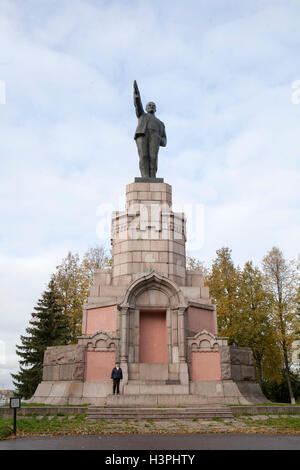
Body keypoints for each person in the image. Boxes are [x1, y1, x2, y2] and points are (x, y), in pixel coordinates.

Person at [133, 80, 167, 178]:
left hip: (155, 138)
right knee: (143, 156)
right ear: (146, 108)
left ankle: (152, 177)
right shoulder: (142, 115)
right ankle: (145, 177)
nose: (151, 106)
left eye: (153, 105)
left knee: (153, 158)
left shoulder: (160, 123)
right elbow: (137, 104)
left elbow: (164, 141)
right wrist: (136, 93)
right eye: (149, 105)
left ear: (155, 109)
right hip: (142, 135)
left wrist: (158, 138)